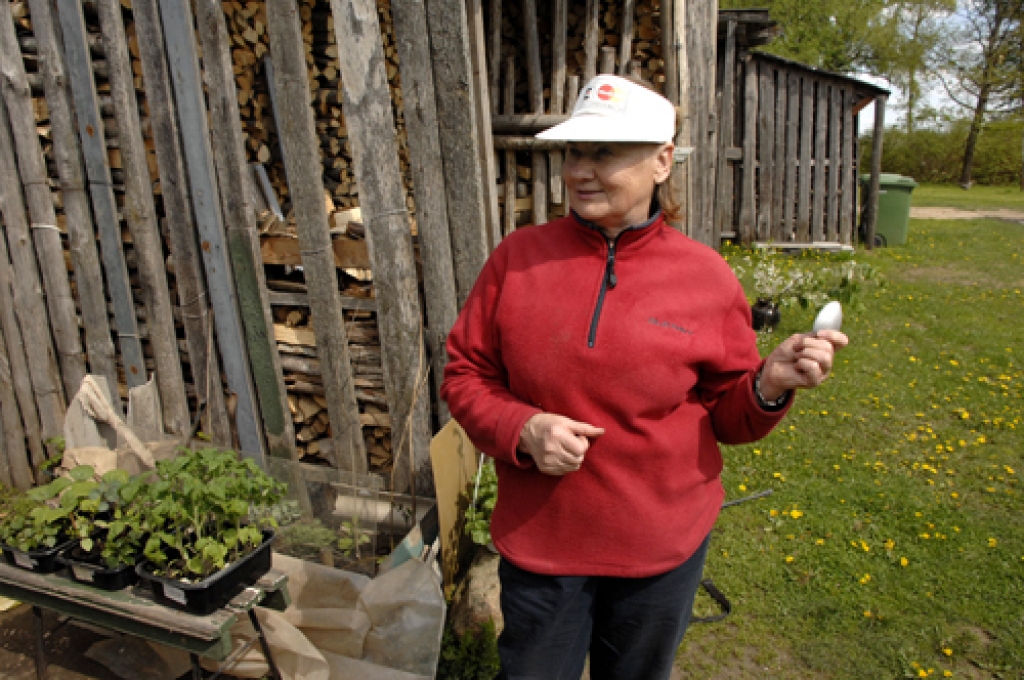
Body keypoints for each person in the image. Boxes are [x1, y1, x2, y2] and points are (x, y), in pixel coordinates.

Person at [440, 74, 848, 680]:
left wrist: (770, 383)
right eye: (574, 151)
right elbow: (465, 375)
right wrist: (523, 428)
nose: (581, 170)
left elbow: (730, 416)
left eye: (605, 153)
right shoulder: (519, 258)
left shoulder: (706, 278)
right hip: (543, 544)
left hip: (661, 552)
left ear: (661, 161)